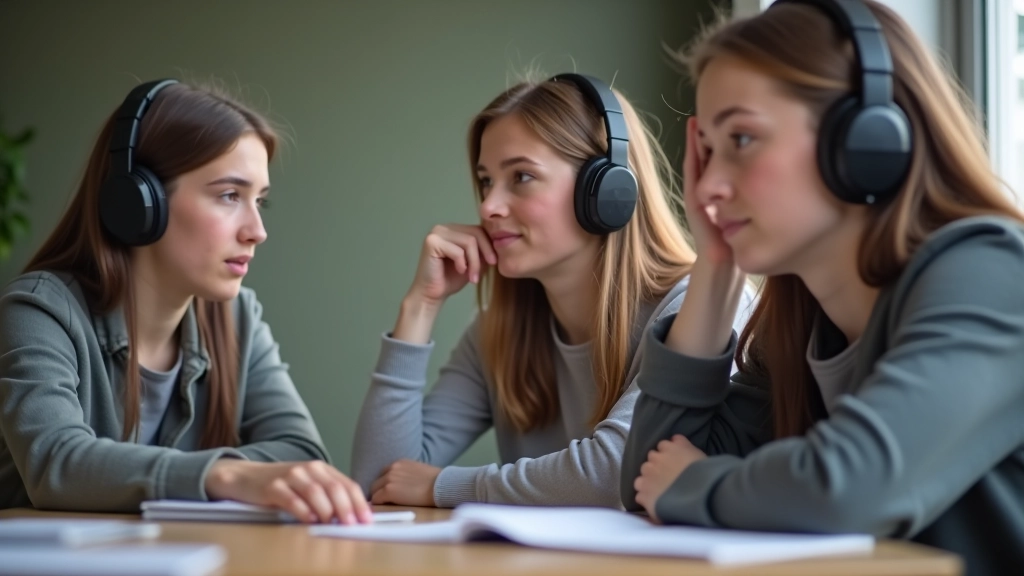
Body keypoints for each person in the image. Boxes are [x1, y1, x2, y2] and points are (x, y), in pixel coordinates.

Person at [620, 1, 1024, 573]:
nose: (707, 185)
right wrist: (714, 263)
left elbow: (848, 489)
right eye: (706, 152)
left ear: (863, 141)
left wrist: (695, 482)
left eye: (741, 139)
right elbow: (646, 478)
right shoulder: (803, 323)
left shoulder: (990, 273)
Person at [352, 73, 755, 508]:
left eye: (521, 176)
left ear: (605, 190)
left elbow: (616, 472)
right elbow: (379, 482)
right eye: (486, 181)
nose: (488, 206)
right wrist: (420, 307)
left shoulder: (700, 306)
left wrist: (443, 486)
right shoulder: (499, 331)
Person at [0, 79, 371, 525]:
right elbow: (55, 463)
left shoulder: (237, 318)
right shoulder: (38, 311)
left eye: (260, 202)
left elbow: (300, 450)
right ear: (140, 202)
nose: (257, 230)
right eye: (230, 195)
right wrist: (226, 475)